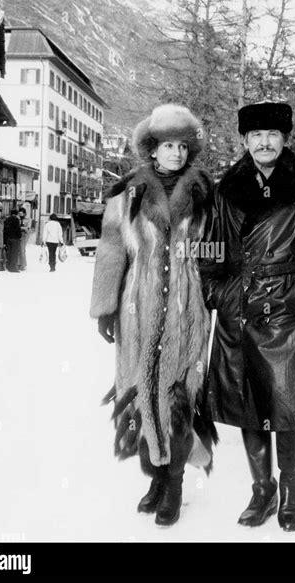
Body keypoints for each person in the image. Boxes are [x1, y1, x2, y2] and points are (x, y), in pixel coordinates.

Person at [200, 101, 295, 532]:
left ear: (285, 139)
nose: (264, 142)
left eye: (273, 135)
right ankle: (262, 490)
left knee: (289, 403)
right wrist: (219, 294)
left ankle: (291, 489)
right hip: (239, 309)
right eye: (256, 135)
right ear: (244, 140)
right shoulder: (226, 188)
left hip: (287, 309)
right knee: (248, 403)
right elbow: (210, 249)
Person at [90, 104, 217, 527]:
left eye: (183, 146)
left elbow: (220, 253)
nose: (176, 154)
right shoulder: (128, 193)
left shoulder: (204, 194)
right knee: (142, 396)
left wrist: (211, 291)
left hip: (187, 314)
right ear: (153, 149)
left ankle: (175, 482)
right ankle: (156, 477)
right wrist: (106, 307)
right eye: (168, 146)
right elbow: (111, 249)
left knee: (178, 398)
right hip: (137, 311)